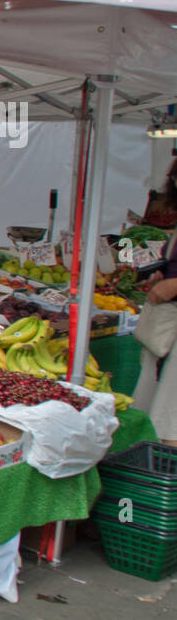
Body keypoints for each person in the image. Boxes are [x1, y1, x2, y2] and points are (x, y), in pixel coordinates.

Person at [133, 160, 177, 445]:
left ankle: (167, 481)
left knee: (170, 418)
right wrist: (162, 276)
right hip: (166, 330)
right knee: (157, 411)